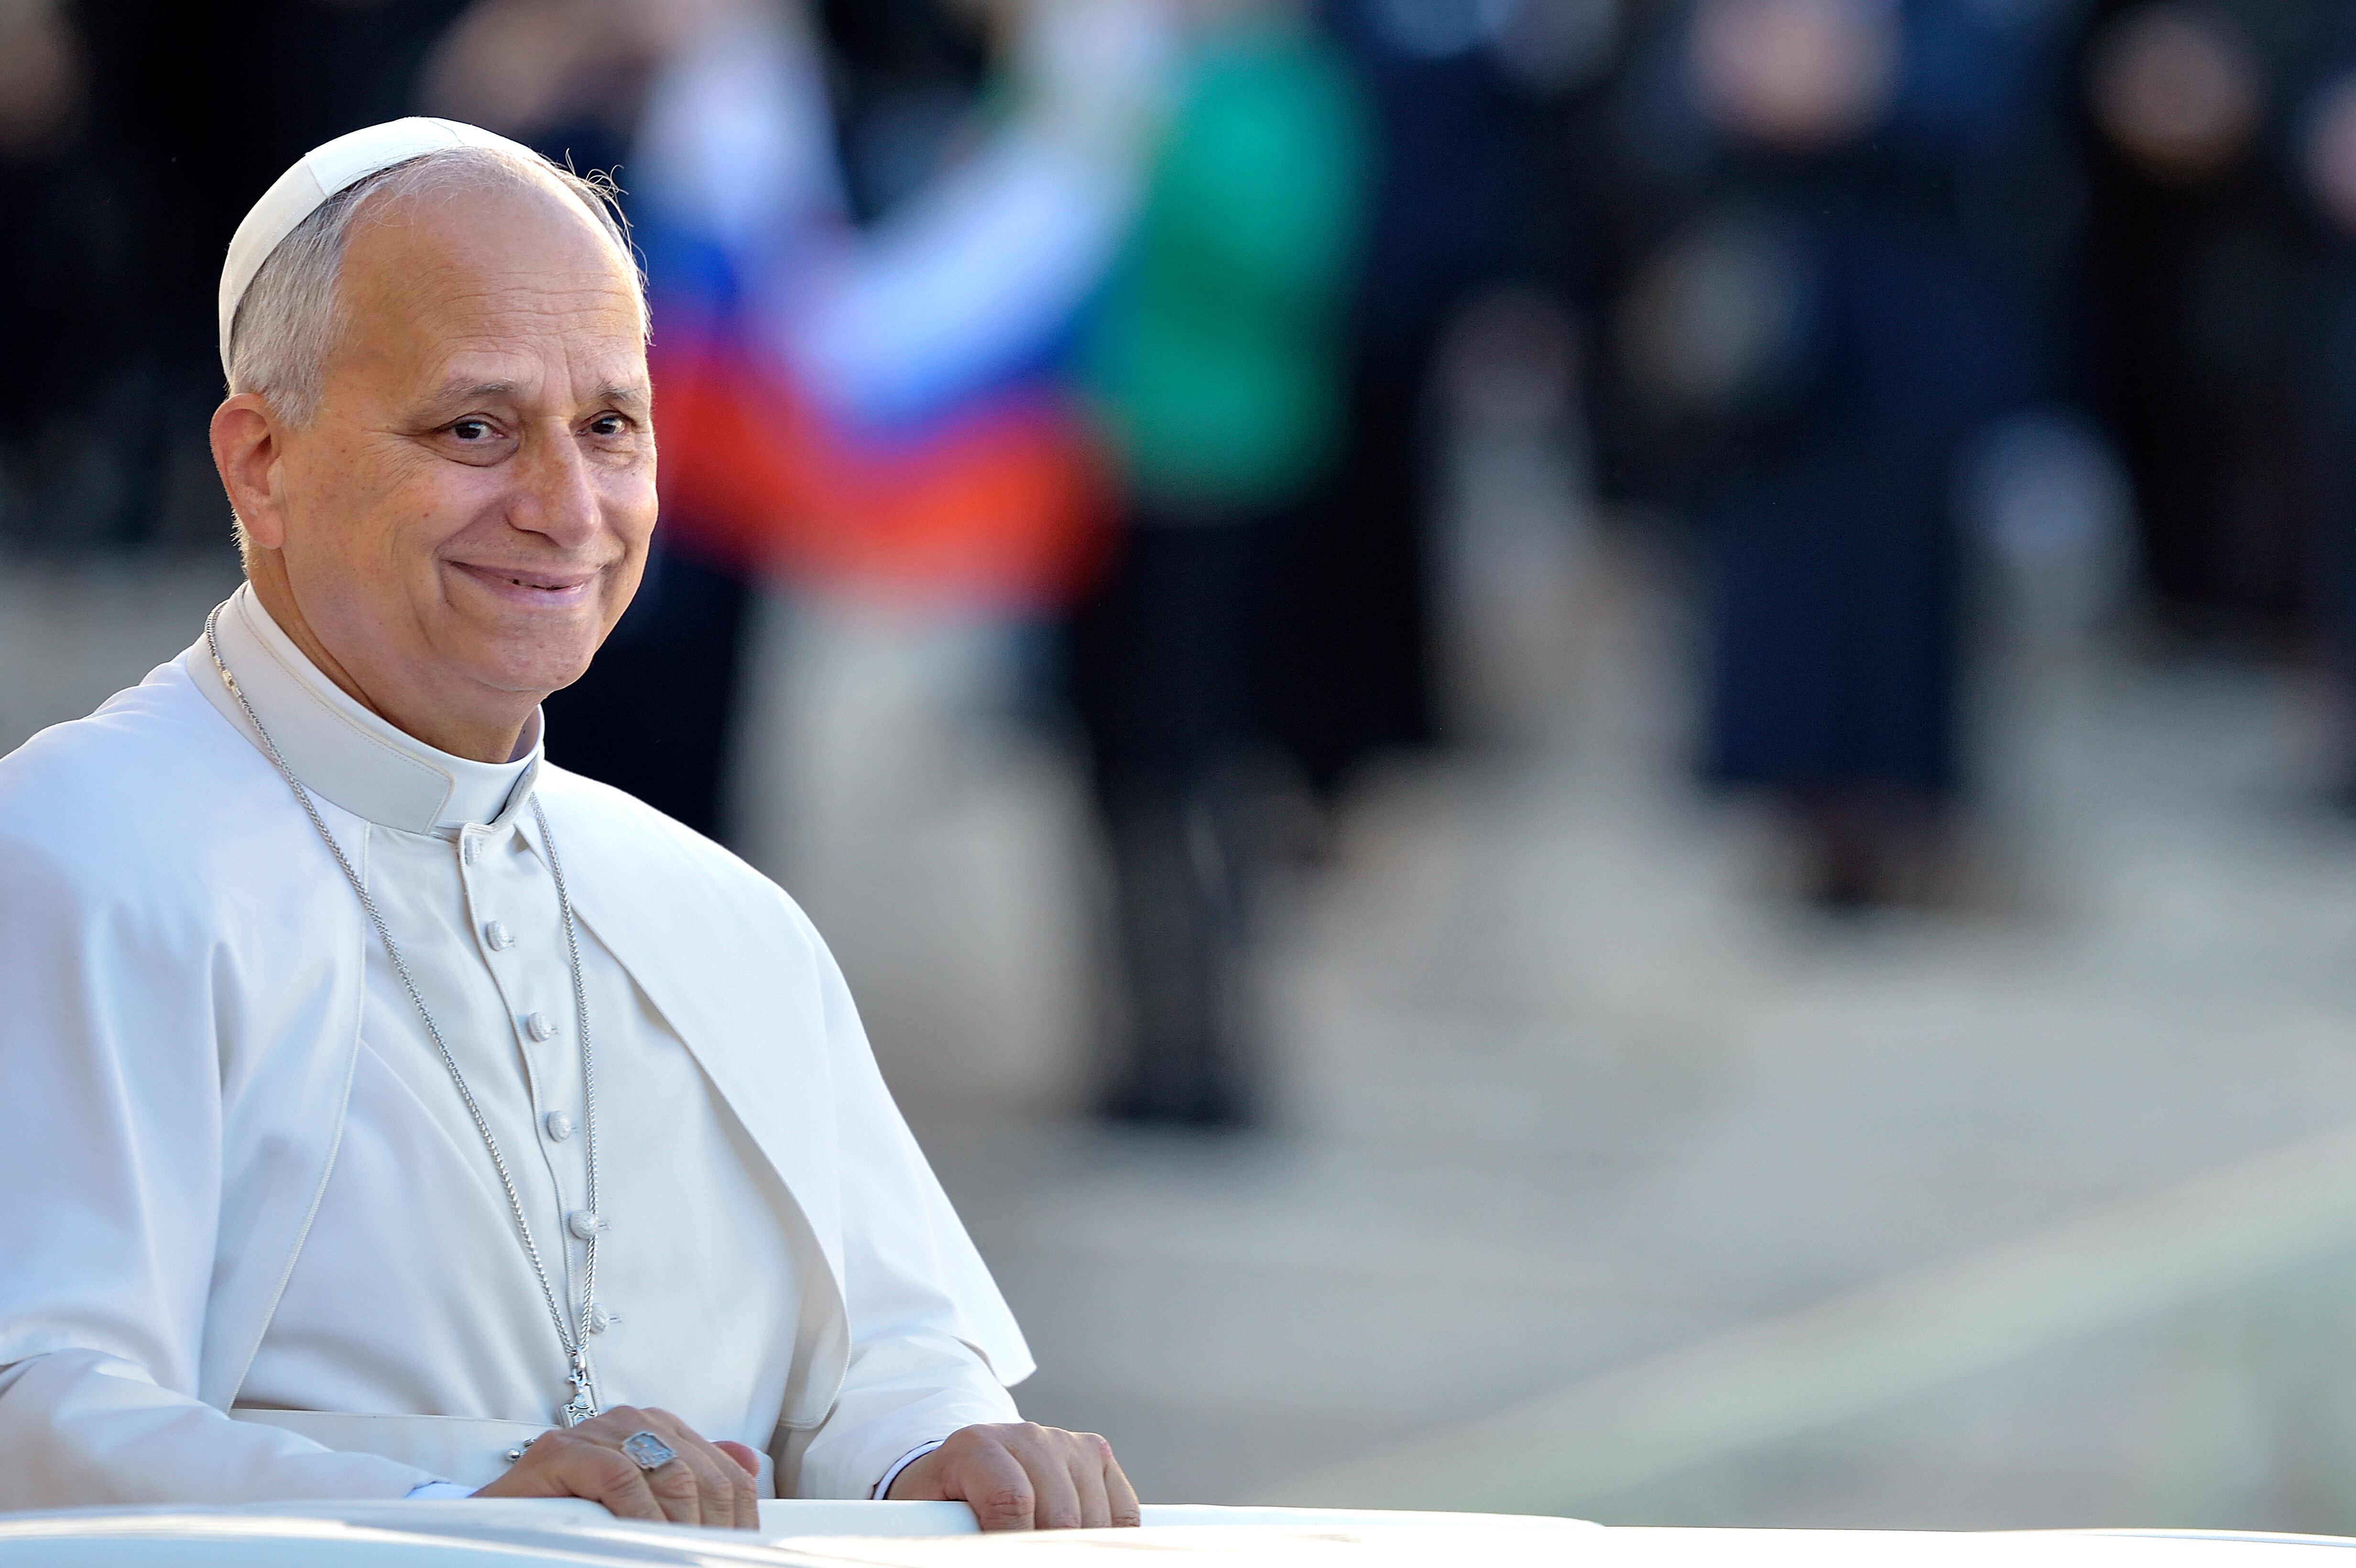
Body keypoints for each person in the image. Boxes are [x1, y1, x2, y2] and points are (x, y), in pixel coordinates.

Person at [0, 118, 1135, 1532]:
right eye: (473, 428)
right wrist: (467, 1503)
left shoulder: (722, 916)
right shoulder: (77, 850)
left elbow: (887, 1366)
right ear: (263, 463)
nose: (566, 507)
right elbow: (32, 1408)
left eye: (609, 426)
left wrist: (942, 1452)